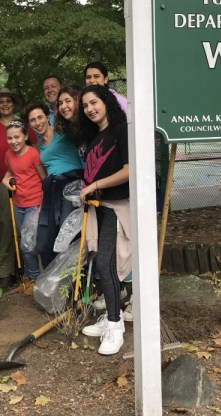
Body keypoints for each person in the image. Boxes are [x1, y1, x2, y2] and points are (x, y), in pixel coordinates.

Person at [77, 85, 130, 355]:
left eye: (94, 102)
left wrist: (94, 184)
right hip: (100, 206)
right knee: (102, 261)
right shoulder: (97, 136)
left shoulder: (121, 131)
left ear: (107, 101)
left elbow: (129, 171)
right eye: (85, 105)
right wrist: (87, 188)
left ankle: (115, 325)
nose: (90, 108)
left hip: (119, 207)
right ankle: (112, 314)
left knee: (106, 263)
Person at [23, 101, 83, 267]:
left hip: (72, 185)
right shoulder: (39, 147)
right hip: (51, 190)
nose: (38, 122)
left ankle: (75, 282)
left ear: (47, 117)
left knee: (67, 236)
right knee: (43, 244)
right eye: (33, 120)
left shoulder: (64, 134)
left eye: (40, 117)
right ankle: (55, 282)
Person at [0, 87, 33, 286]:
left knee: (29, 225)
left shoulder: (23, 125)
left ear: (13, 103)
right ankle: (6, 271)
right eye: (1, 101)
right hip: (2, 181)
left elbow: (34, 151)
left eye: (8, 101)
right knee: (5, 223)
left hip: (27, 179)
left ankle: (30, 270)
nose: (4, 104)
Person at [2, 120, 46, 280]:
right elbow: (9, 172)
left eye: (17, 137)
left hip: (34, 204)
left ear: (26, 135)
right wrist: (5, 179)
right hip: (18, 203)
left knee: (27, 244)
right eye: (9, 138)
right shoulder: (8, 154)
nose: (13, 141)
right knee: (25, 241)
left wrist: (43, 204)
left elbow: (44, 178)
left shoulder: (33, 153)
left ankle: (34, 277)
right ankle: (28, 273)